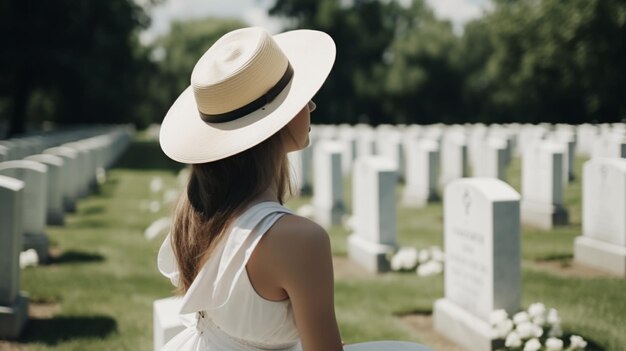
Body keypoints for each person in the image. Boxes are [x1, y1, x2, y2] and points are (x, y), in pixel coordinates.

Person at [156, 26, 343, 351]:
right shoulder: (301, 240)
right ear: (277, 119)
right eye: (299, 96)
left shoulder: (192, 214)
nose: (311, 105)